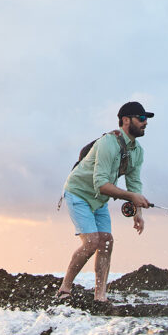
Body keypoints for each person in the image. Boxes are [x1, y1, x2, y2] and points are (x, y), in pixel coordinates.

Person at [57, 101, 154, 303]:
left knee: (107, 241)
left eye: (147, 119)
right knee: (92, 242)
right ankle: (65, 288)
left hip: (99, 200)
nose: (145, 123)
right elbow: (101, 184)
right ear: (126, 120)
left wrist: (138, 212)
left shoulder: (138, 151)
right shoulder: (108, 143)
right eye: (141, 118)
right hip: (79, 193)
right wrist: (131, 197)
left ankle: (100, 296)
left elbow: (134, 183)